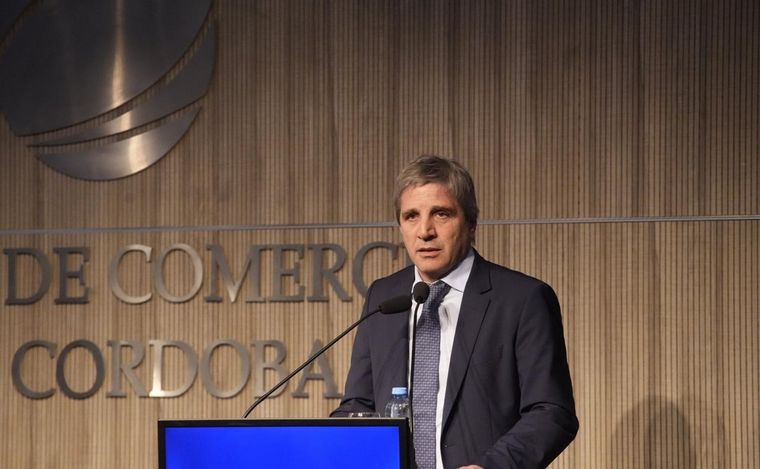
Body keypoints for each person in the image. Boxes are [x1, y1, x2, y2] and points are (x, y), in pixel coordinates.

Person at [332, 155, 578, 469]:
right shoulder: (384, 297)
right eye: (411, 216)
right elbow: (360, 405)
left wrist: (491, 467)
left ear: (471, 222)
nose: (425, 231)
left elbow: (552, 412)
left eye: (442, 214)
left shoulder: (522, 299)